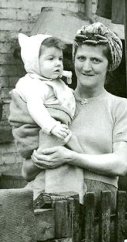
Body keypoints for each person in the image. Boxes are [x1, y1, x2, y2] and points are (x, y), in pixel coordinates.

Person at [19, 22, 127, 206]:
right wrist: (38, 159)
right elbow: (26, 172)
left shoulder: (120, 107)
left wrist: (70, 157)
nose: (86, 67)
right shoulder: (54, 102)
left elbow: (121, 164)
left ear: (109, 65)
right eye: (81, 58)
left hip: (95, 201)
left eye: (96, 60)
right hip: (49, 194)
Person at [11, 33, 85, 202]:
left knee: (55, 162)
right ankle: (57, 194)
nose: (57, 63)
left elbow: (65, 96)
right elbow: (35, 107)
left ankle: (59, 192)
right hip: (43, 129)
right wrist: (52, 126)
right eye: (50, 59)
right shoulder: (34, 84)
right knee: (53, 161)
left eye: (60, 58)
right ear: (35, 63)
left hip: (52, 127)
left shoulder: (51, 80)